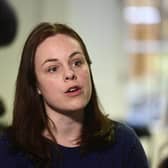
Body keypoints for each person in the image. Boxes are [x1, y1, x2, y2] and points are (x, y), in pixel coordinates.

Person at [0, 22, 149, 168]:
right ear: (35, 84)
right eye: (53, 68)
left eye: (77, 62)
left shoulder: (124, 144)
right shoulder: (7, 151)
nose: (70, 74)